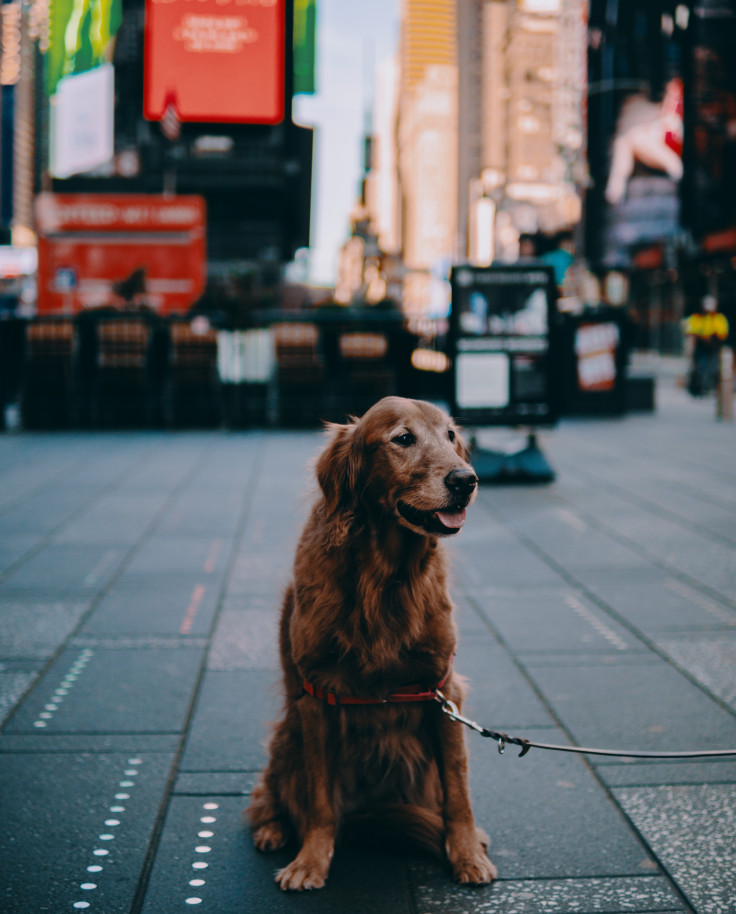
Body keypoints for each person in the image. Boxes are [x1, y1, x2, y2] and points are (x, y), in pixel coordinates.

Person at [684, 295, 729, 396]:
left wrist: (712, 338)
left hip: (713, 348)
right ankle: (701, 388)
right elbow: (689, 331)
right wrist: (700, 337)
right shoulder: (697, 317)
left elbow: (723, 333)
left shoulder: (719, 318)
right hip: (701, 348)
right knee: (700, 368)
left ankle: (711, 387)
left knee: (714, 368)